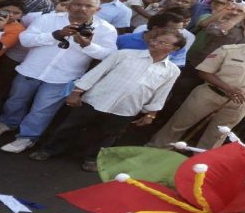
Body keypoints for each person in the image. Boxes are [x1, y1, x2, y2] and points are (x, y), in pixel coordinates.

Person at [29, 28, 183, 171]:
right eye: (155, 39)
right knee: (70, 126)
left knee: (108, 135)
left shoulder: (172, 71)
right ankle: (49, 150)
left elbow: (161, 93)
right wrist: (77, 92)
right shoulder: (124, 54)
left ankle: (92, 158)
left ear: (175, 48)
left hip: (126, 109)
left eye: (163, 42)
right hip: (95, 100)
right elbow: (97, 73)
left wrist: (150, 114)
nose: (155, 43)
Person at [0, 0, 118, 153]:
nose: (82, 9)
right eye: (77, 4)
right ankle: (8, 123)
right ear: (68, 6)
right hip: (32, 69)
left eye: (88, 6)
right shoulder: (48, 19)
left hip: (63, 76)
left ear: (98, 10)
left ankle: (27, 138)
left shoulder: (106, 29)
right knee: (15, 101)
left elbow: (109, 55)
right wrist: (56, 35)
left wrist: (88, 45)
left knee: (42, 110)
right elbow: (25, 39)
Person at [148, 25, 245, 149]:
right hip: (210, 93)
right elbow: (204, 72)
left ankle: (199, 164)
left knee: (218, 135)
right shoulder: (229, 50)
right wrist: (228, 88)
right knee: (179, 124)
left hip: (242, 101)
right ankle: (155, 149)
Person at [118, 11, 195, 67]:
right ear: (155, 28)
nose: (178, 33)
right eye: (173, 29)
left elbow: (172, 70)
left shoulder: (176, 47)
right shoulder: (124, 39)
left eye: (180, 29)